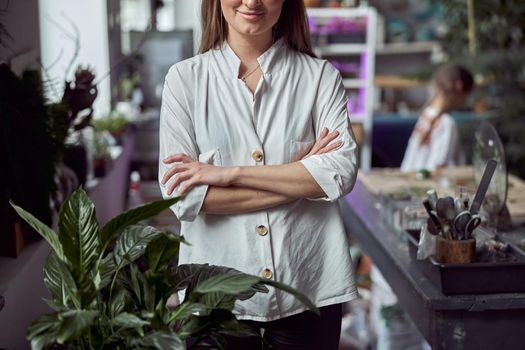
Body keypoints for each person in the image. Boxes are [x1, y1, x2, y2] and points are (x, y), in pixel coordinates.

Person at [158, 0, 359, 349]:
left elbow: (339, 174)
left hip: (309, 286)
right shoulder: (185, 80)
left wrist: (228, 174)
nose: (252, 2)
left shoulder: (320, 77)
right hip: (216, 299)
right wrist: (301, 177)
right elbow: (183, 196)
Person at [370, 64, 474, 350]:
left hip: (412, 194)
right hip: (436, 201)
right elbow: (436, 169)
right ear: (460, 90)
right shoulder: (448, 123)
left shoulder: (427, 116)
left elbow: (411, 165)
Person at [401, 64, 474, 172]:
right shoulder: (447, 123)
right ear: (460, 93)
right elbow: (440, 166)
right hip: (431, 186)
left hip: (411, 181)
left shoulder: (426, 114)